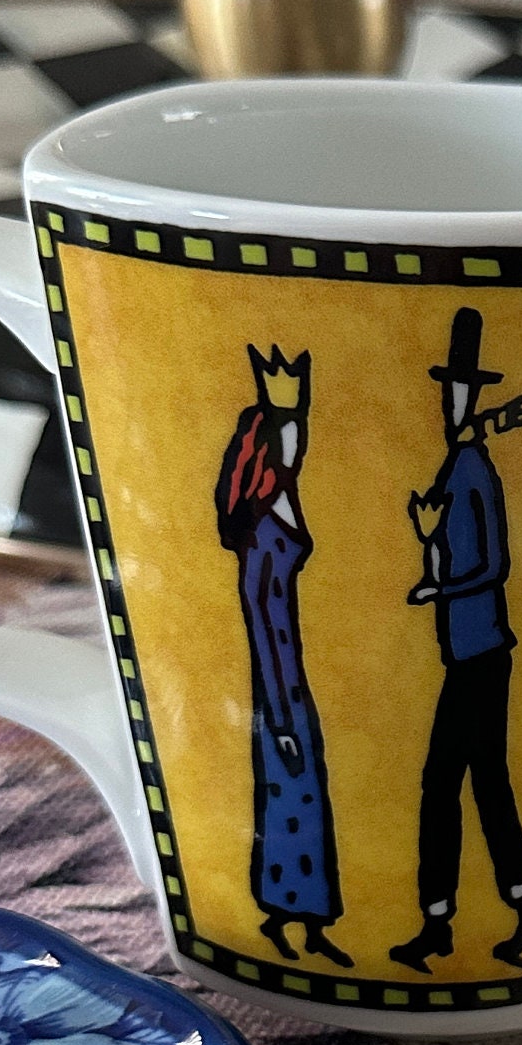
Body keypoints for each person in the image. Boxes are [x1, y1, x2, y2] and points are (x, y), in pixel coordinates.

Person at [392, 308, 522, 971]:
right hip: (463, 649)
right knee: (469, 780)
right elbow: (450, 552)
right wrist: (429, 544)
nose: (451, 405)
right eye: (448, 394)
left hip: (482, 650)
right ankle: (493, 914)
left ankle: (476, 917)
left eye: (461, 394)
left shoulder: (474, 468)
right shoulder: (454, 465)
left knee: (460, 781)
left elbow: (493, 565)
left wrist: (440, 588)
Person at [214, 343, 349, 966]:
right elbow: (264, 630)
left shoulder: (283, 509)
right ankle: (278, 919)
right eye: (292, 438)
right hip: (279, 693)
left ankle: (311, 924)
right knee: (287, 797)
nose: (300, 449)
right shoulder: (262, 535)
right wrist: (279, 715)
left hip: (294, 688)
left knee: (307, 798)